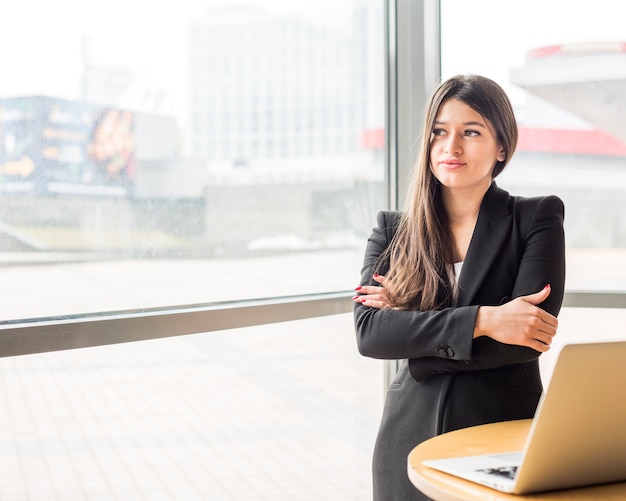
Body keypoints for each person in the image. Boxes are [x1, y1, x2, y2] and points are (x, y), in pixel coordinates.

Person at [353, 74, 565, 500]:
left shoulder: (536, 219)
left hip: (501, 433)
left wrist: (414, 336)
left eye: (471, 132)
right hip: (407, 436)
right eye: (439, 133)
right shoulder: (393, 231)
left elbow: (524, 340)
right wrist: (487, 318)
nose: (451, 147)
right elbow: (371, 335)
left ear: (501, 146)